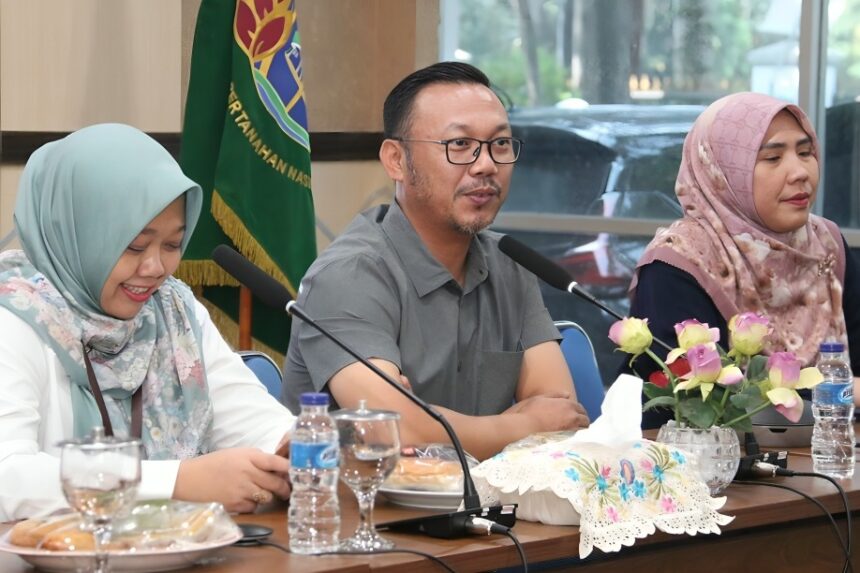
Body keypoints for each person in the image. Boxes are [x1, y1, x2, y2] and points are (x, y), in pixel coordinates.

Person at [283, 62, 589, 460]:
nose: (486, 165)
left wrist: (443, 426)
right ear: (396, 160)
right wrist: (522, 424)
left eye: (500, 144)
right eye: (459, 144)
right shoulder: (348, 276)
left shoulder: (510, 264)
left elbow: (561, 413)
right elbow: (393, 428)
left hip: (486, 497)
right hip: (363, 498)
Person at [0, 124, 294, 521]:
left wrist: (297, 445)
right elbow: (7, 476)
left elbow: (253, 421)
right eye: (134, 245)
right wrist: (175, 482)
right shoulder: (14, 315)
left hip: (176, 546)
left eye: (172, 244)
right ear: (76, 232)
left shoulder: (171, 309)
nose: (156, 267)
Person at [624, 92, 860, 428]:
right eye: (773, 158)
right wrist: (841, 391)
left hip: (834, 450)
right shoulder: (679, 263)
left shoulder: (826, 244)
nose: (800, 172)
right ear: (721, 173)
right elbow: (693, 405)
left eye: (805, 152)